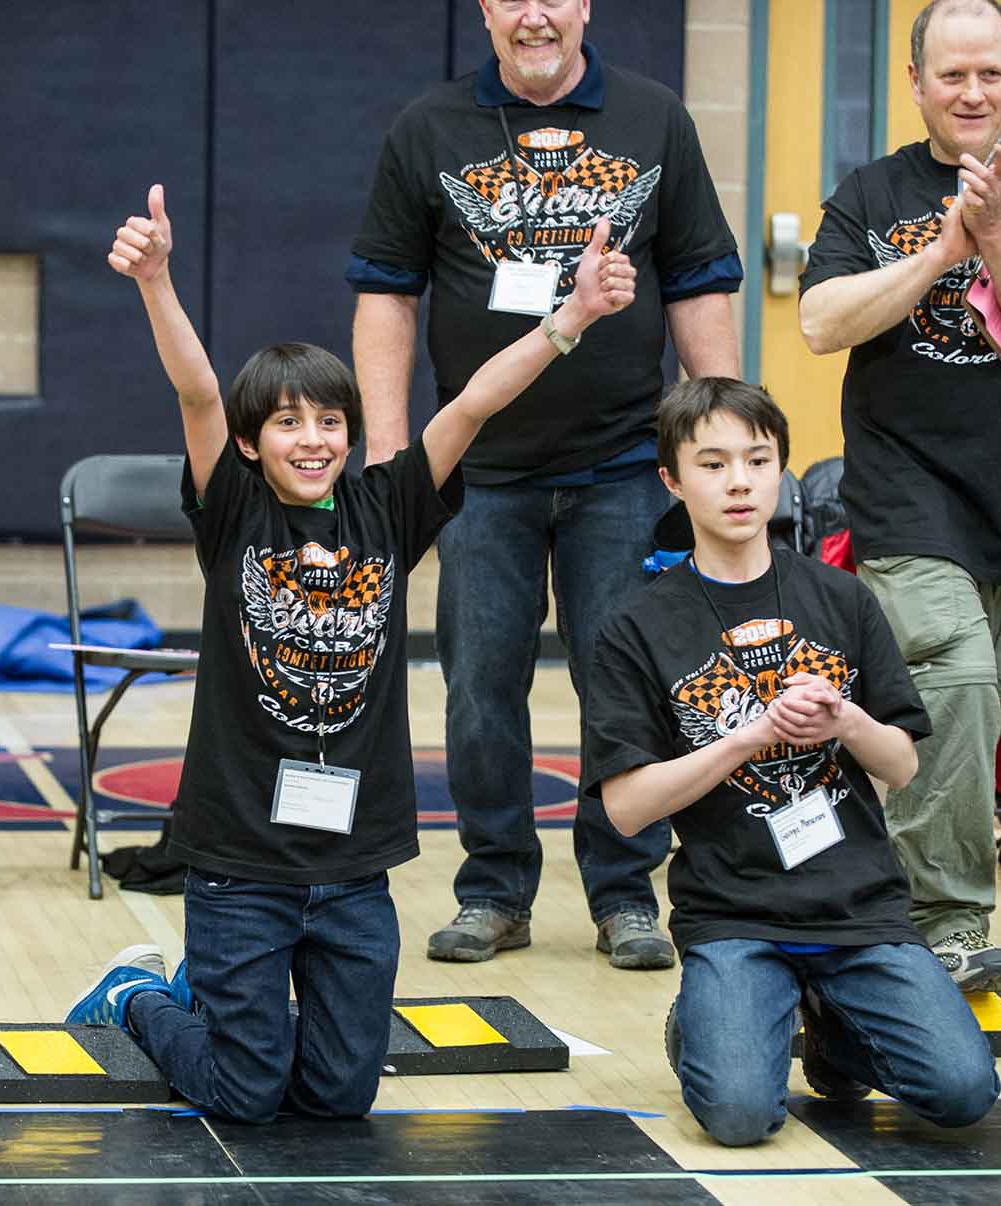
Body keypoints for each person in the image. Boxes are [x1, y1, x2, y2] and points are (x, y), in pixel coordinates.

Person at [66, 185, 637, 1123]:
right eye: (288, 423)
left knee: (338, 1096)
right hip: (240, 862)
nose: (313, 438)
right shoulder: (234, 514)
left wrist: (570, 316)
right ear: (252, 445)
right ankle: (138, 998)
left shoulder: (389, 506)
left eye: (329, 420)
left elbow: (474, 402)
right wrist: (157, 282)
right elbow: (199, 390)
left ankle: (233, 1006)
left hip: (351, 868)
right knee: (248, 1094)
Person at [350, 0, 742, 970]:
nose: (534, 15)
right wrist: (396, 455)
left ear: (584, 8)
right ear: (487, 10)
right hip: (481, 473)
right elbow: (386, 295)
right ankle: (494, 889)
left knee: (631, 690)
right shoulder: (426, 129)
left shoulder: (656, 119)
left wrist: (725, 444)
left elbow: (699, 284)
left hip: (620, 468)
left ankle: (625, 895)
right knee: (481, 688)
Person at [586, 377, 999, 1147]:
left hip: (859, 907)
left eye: (757, 459)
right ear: (671, 480)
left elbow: (904, 766)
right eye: (712, 464)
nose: (739, 481)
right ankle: (703, 1022)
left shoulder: (843, 599)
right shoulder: (635, 626)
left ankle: (829, 1023)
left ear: (781, 468)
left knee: (964, 1091)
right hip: (733, 910)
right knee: (741, 1116)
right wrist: (746, 736)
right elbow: (626, 809)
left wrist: (844, 719)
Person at [798, 0, 1001, 991]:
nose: (970, 92)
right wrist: (937, 253)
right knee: (962, 678)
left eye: (988, 73)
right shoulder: (872, 188)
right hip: (902, 489)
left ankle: (851, 868)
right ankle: (948, 924)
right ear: (917, 84)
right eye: (950, 75)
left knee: (975, 695)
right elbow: (817, 321)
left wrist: (997, 237)